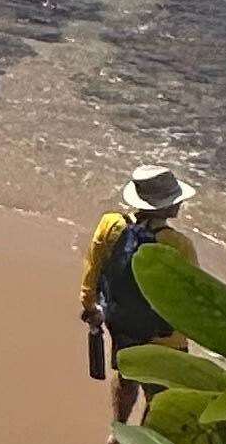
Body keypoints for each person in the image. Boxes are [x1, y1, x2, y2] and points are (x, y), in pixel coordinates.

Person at [83, 165, 195, 428]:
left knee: (127, 377)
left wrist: (90, 307)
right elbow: (191, 295)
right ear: (167, 206)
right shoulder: (178, 244)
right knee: (161, 395)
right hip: (165, 334)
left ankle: (119, 430)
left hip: (121, 322)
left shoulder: (111, 225)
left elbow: (93, 269)